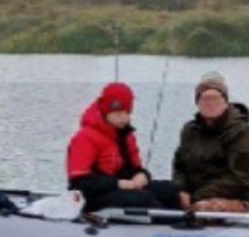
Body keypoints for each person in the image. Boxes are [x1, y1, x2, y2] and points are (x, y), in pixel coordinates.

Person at [67, 81, 183, 212]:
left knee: (170, 190)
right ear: (105, 112)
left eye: (127, 113)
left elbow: (135, 168)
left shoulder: (126, 135)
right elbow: (78, 183)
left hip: (124, 188)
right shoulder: (85, 137)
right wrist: (118, 183)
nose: (124, 118)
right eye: (118, 114)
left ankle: (179, 226)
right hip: (91, 196)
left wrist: (142, 175)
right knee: (143, 199)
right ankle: (163, 227)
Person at [171, 72, 249, 212]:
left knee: (202, 209)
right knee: (159, 194)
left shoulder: (242, 134)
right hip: (193, 196)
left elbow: (240, 178)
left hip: (235, 198)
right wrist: (181, 190)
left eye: (215, 98)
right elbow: (179, 167)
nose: (210, 104)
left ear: (225, 102)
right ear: (197, 102)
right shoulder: (189, 131)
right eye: (205, 99)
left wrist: (198, 197)